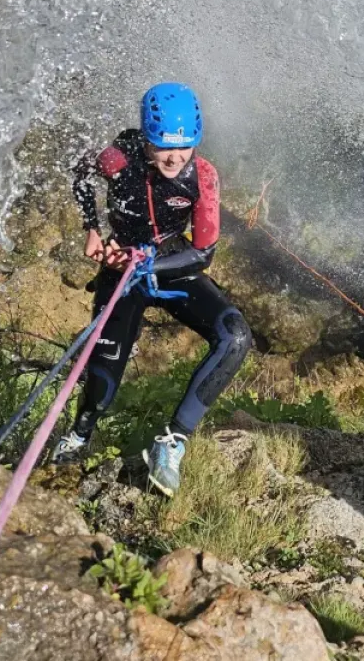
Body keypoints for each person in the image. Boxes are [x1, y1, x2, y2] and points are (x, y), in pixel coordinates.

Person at [51, 82, 252, 497]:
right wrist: (91, 229)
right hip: (122, 271)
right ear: (147, 138)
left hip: (171, 266)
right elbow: (80, 173)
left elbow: (203, 253)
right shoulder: (118, 159)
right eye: (163, 147)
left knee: (234, 336)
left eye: (185, 147)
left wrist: (149, 263)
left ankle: (173, 441)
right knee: (106, 367)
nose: (175, 157)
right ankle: (79, 436)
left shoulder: (203, 175)